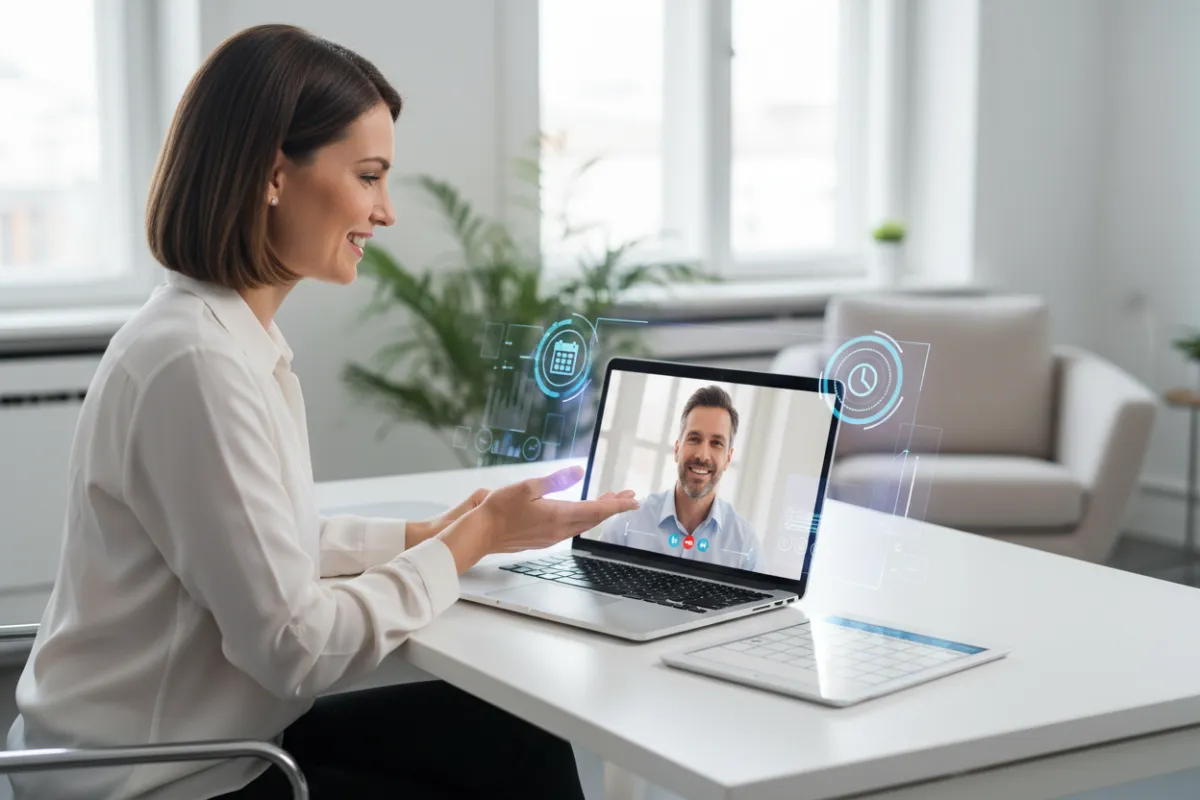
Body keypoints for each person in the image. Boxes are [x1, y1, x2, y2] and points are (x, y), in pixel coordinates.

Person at [4, 24, 638, 800]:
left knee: (516, 741)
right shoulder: (197, 361)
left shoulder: (217, 335)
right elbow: (294, 648)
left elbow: (264, 544)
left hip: (202, 746)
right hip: (161, 782)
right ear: (275, 175)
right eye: (368, 176)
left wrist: (430, 536)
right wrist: (471, 541)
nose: (386, 211)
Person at [599, 386, 758, 570]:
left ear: (728, 459)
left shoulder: (746, 545)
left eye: (716, 443)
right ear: (677, 450)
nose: (702, 455)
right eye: (694, 439)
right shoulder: (626, 527)